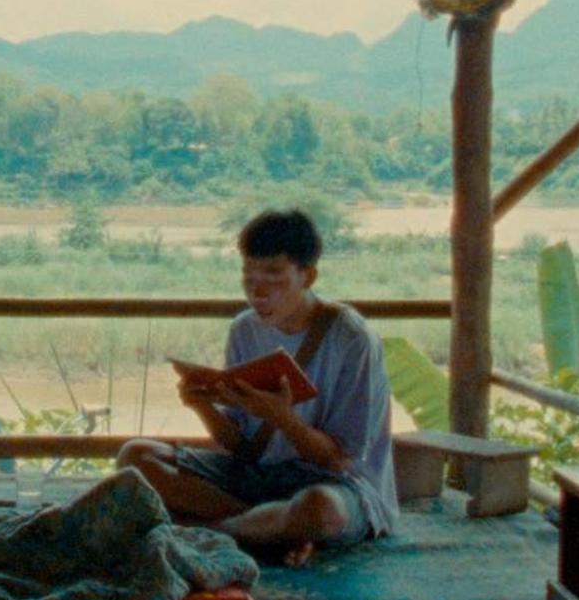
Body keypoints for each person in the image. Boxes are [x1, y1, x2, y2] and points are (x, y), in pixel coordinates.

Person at [116, 209, 398, 566]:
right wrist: (201, 406)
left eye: (274, 276)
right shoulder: (244, 329)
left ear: (308, 276)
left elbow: (339, 460)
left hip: (335, 486)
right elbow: (241, 448)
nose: (258, 292)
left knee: (319, 511)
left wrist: (282, 418)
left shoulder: (351, 337)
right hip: (260, 478)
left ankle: (218, 529)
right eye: (248, 277)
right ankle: (268, 530)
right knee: (136, 457)